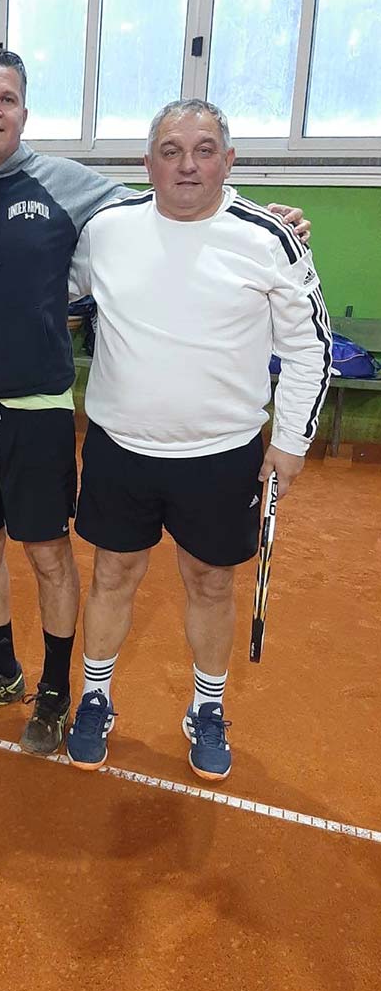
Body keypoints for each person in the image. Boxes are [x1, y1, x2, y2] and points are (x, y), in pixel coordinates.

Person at [0, 48, 311, 757]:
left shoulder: (92, 195)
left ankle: (144, 702)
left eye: (205, 152)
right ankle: (49, 684)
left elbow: (298, 334)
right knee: (32, 559)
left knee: (162, 573)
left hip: (153, 433)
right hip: (37, 423)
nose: (186, 166)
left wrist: (263, 220)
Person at [64, 98, 331, 781]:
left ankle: (207, 709)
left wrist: (291, 442)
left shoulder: (271, 238)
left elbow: (311, 347)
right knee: (112, 574)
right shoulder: (106, 231)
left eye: (204, 150)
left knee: (210, 584)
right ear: (147, 163)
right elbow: (51, 291)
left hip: (222, 456)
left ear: (228, 161)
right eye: (171, 150)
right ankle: (95, 697)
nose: (188, 164)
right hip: (121, 449)